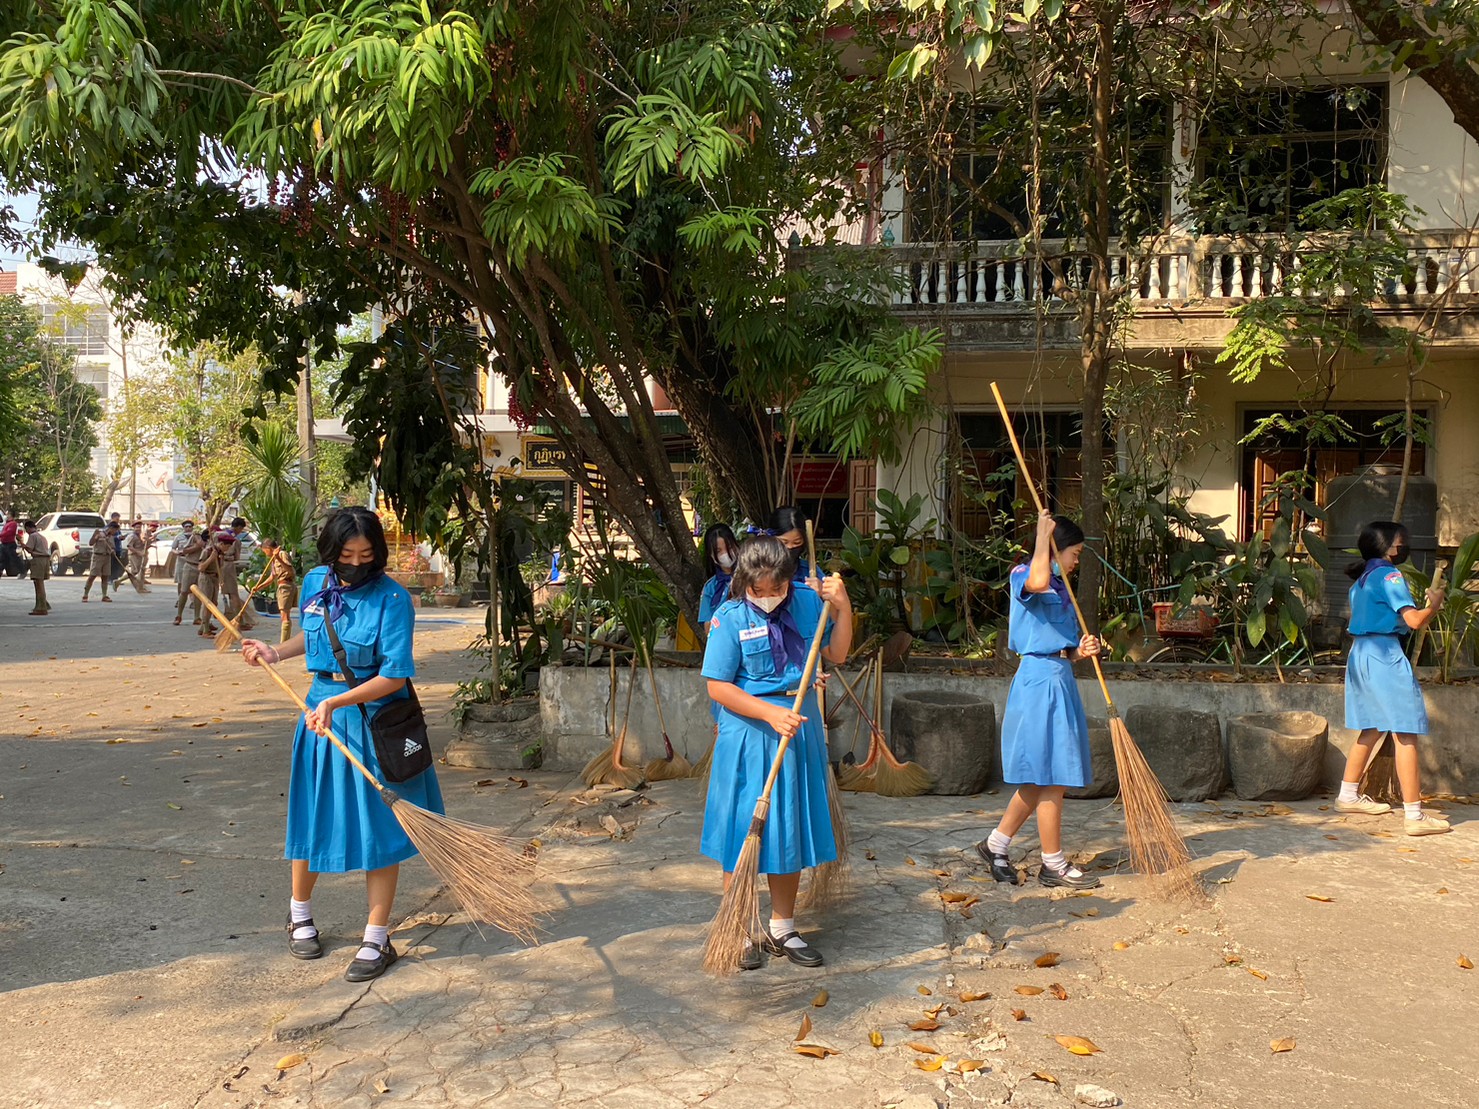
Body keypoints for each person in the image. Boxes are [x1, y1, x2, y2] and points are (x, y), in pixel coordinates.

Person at [238, 506, 442, 983]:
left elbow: (394, 675)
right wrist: (274, 651)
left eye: (366, 555)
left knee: (380, 827)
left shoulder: (393, 599)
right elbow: (314, 641)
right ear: (331, 551)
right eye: (346, 555)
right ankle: (299, 914)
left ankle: (377, 937)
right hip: (318, 718)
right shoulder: (315, 581)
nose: (355, 563)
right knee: (312, 815)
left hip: (373, 721)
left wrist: (339, 702)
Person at [701, 534, 853, 971]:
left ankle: (783, 926)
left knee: (787, 830)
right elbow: (718, 687)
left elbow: (836, 653)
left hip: (797, 728)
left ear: (789, 580)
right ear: (743, 583)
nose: (768, 597)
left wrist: (843, 608)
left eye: (777, 588)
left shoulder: (807, 601)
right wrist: (769, 713)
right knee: (742, 833)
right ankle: (739, 928)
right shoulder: (728, 618)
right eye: (759, 590)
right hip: (749, 732)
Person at [975, 511, 1103, 890]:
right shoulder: (1024, 575)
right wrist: (1041, 538)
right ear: (1056, 549)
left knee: (1039, 778)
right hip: (1038, 683)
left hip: (1059, 678)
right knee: (1051, 777)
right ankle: (1053, 864)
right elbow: (1037, 579)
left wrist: (1080, 651)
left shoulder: (1062, 591)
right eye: (1074, 553)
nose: (1076, 562)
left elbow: (1062, 648)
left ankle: (995, 845)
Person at [1335, 522, 1449, 835]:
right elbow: (1414, 621)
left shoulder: (1362, 580)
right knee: (1405, 732)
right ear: (1387, 547)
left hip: (1361, 654)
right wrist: (1434, 606)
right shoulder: (1390, 576)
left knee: (1372, 727)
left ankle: (1348, 794)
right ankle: (1414, 816)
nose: (1404, 545)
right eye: (1401, 541)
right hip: (1385, 655)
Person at [218, 520, 257, 631]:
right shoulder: (235, 539)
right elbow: (237, 557)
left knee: (228, 593)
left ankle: (233, 618)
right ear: (239, 527)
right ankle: (239, 620)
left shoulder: (219, 534)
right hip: (228, 565)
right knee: (233, 593)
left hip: (218, 564)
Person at [698, 524, 740, 625]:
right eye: (718, 551)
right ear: (711, 554)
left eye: (729, 547)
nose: (725, 554)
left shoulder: (751, 577)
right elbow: (708, 625)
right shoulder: (710, 587)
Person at [261, 537, 299, 644]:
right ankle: (285, 641)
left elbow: (290, 570)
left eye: (264, 551)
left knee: (285, 615)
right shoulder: (273, 559)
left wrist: (278, 558)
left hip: (286, 586)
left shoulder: (282, 554)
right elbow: (272, 577)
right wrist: (259, 587)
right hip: (281, 586)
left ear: (268, 548)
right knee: (284, 614)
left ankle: (284, 642)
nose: (265, 554)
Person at [767, 506, 813, 585]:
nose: (790, 547)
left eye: (797, 542)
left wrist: (821, 589)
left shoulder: (809, 570)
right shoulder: (757, 569)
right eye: (784, 542)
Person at [173, 521, 206, 625]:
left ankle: (197, 617)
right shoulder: (194, 537)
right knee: (184, 591)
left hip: (201, 567)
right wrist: (197, 546)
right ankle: (179, 616)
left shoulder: (210, 541)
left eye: (190, 526)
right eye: (186, 526)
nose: (188, 528)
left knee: (198, 593)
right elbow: (185, 550)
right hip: (190, 565)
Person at [196, 531, 230, 636]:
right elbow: (201, 568)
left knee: (214, 603)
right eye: (227, 546)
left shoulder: (220, 553)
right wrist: (211, 558)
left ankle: (203, 626)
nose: (228, 549)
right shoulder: (208, 551)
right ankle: (205, 629)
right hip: (206, 578)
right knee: (208, 604)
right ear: (221, 544)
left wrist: (221, 578)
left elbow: (220, 567)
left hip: (215, 578)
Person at [81, 522, 118, 602]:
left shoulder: (111, 537)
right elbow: (91, 543)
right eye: (115, 530)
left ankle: (104, 595)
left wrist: (113, 551)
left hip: (107, 557)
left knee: (105, 576)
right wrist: (96, 537)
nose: (115, 532)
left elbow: (113, 547)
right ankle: (85, 595)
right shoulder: (99, 533)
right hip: (98, 556)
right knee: (92, 576)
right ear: (111, 528)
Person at [23, 519, 51, 615]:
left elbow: (29, 549)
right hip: (45, 559)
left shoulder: (32, 536)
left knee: (39, 584)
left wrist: (22, 543)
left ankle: (41, 607)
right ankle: (43, 604)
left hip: (38, 559)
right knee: (40, 583)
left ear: (28, 528)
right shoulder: (42, 537)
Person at [0, 511, 21, 577]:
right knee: (3, 558)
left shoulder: (13, 524)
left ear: (11, 515)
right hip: (4, 543)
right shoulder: (7, 523)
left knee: (13, 558)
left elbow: (9, 532)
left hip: (10, 544)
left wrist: (1, 535)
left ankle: (22, 570)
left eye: (7, 514)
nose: (6, 516)